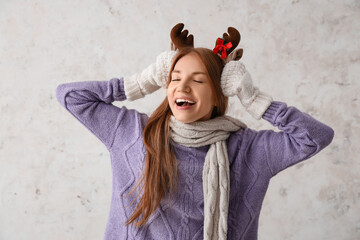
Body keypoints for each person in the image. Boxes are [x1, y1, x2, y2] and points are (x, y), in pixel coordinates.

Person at [56, 23, 334, 240]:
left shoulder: (249, 150)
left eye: (197, 80)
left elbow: (315, 137)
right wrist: (143, 80)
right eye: (175, 79)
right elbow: (70, 96)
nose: (182, 87)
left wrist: (252, 98)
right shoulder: (131, 132)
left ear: (218, 94)